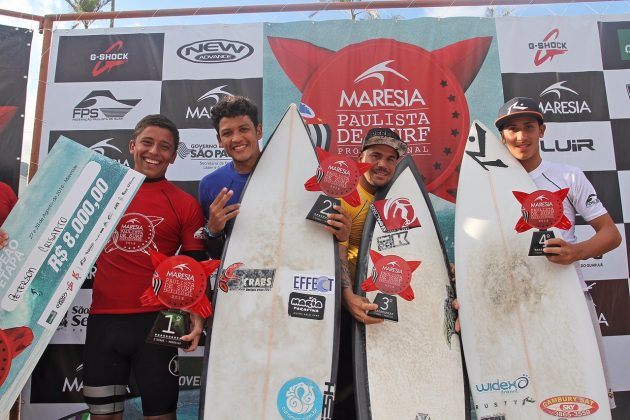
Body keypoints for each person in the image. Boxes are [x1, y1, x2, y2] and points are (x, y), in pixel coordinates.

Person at [495, 96, 622, 408]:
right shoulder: (489, 183)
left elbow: (611, 234)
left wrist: (575, 252)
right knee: (525, 393)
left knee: (580, 386)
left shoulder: (568, 175)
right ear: (502, 136)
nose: (521, 136)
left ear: (542, 130)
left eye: (528, 127)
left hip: (568, 295)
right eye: (512, 129)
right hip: (515, 302)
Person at [82, 115, 208, 420]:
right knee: (102, 416)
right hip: (104, 320)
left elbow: (195, 270)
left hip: (160, 322)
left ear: (173, 156)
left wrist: (199, 318)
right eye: (147, 142)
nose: (154, 152)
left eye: (164, 147)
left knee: (161, 415)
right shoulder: (100, 193)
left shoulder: (184, 203)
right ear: (132, 146)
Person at [198, 95, 350, 258]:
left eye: (244, 129)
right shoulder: (210, 184)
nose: (236, 139)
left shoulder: (301, 175)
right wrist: (213, 232)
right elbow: (217, 256)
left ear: (258, 131)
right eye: (227, 133)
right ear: (219, 140)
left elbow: (323, 238)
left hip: (296, 272)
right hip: (242, 278)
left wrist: (341, 235)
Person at [335, 128, 408, 418]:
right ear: (360, 157)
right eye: (376, 155)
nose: (383, 164)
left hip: (382, 308)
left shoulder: (398, 197)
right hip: (347, 311)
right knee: (346, 394)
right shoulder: (346, 195)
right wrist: (347, 296)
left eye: (391, 159)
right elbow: (336, 249)